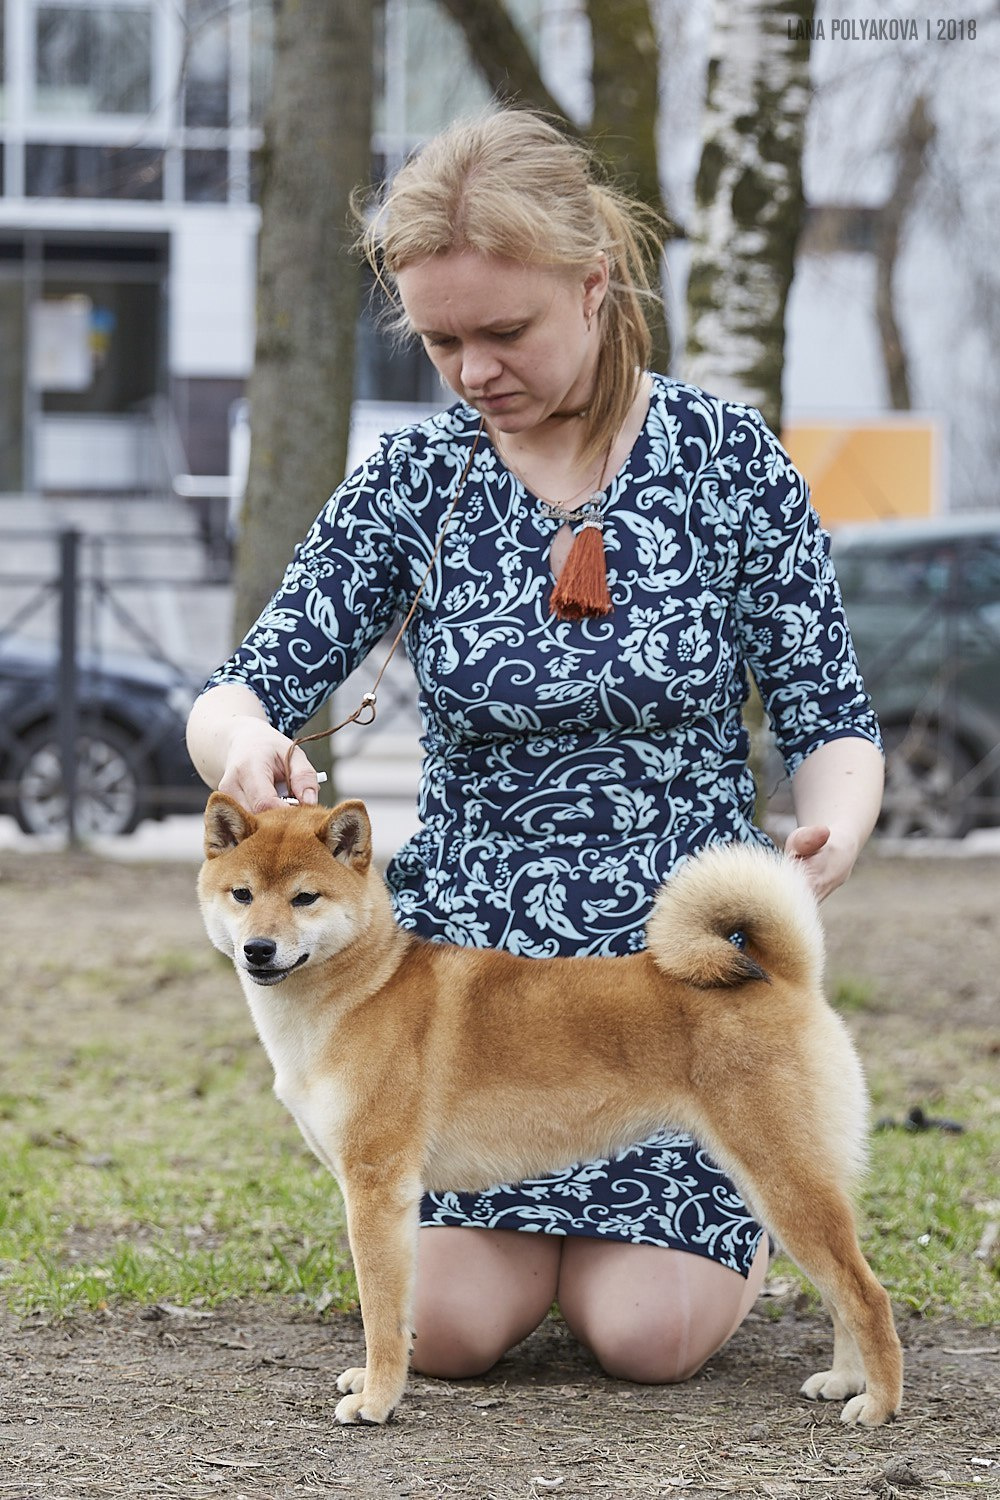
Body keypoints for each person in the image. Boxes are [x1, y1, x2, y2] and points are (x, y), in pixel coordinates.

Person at [186, 109, 883, 1388]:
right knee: (443, 1337)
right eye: (440, 338)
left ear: (592, 284)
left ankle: (698, 1242)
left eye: (503, 332)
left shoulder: (728, 462)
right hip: (463, 1000)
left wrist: (828, 830)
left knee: (649, 1339)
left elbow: (828, 712)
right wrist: (244, 748)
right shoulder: (415, 477)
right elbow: (243, 685)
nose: (471, 368)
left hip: (675, 988)